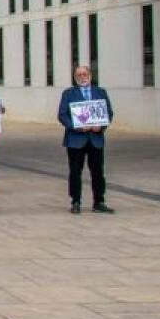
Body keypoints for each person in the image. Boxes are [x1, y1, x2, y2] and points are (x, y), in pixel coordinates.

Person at [56, 64, 114, 214]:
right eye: (79, 75)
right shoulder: (68, 94)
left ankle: (99, 201)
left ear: (90, 76)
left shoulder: (100, 92)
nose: (82, 77)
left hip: (95, 138)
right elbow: (62, 115)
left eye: (84, 74)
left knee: (98, 172)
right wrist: (77, 126)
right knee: (75, 171)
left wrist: (101, 126)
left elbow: (108, 113)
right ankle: (75, 201)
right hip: (76, 139)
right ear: (75, 78)